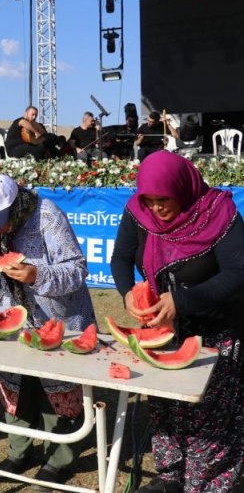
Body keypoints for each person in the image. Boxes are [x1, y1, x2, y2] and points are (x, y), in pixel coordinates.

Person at [110, 151, 244, 493]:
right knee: (165, 409)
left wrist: (182, 301)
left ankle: (208, 483)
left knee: (208, 419)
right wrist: (128, 293)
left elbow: (238, 273)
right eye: (149, 200)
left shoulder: (219, 212)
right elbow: (121, 258)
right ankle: (170, 478)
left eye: (163, 199)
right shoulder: (136, 210)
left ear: (182, 189)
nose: (156, 208)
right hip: (163, 332)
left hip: (216, 332)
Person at [0, 174, 96, 489]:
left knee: (57, 393)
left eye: (0, 220)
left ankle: (57, 460)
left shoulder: (46, 215)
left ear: (13, 204)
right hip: (9, 319)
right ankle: (19, 452)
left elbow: (78, 269)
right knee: (15, 390)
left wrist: (38, 275)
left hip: (58, 319)